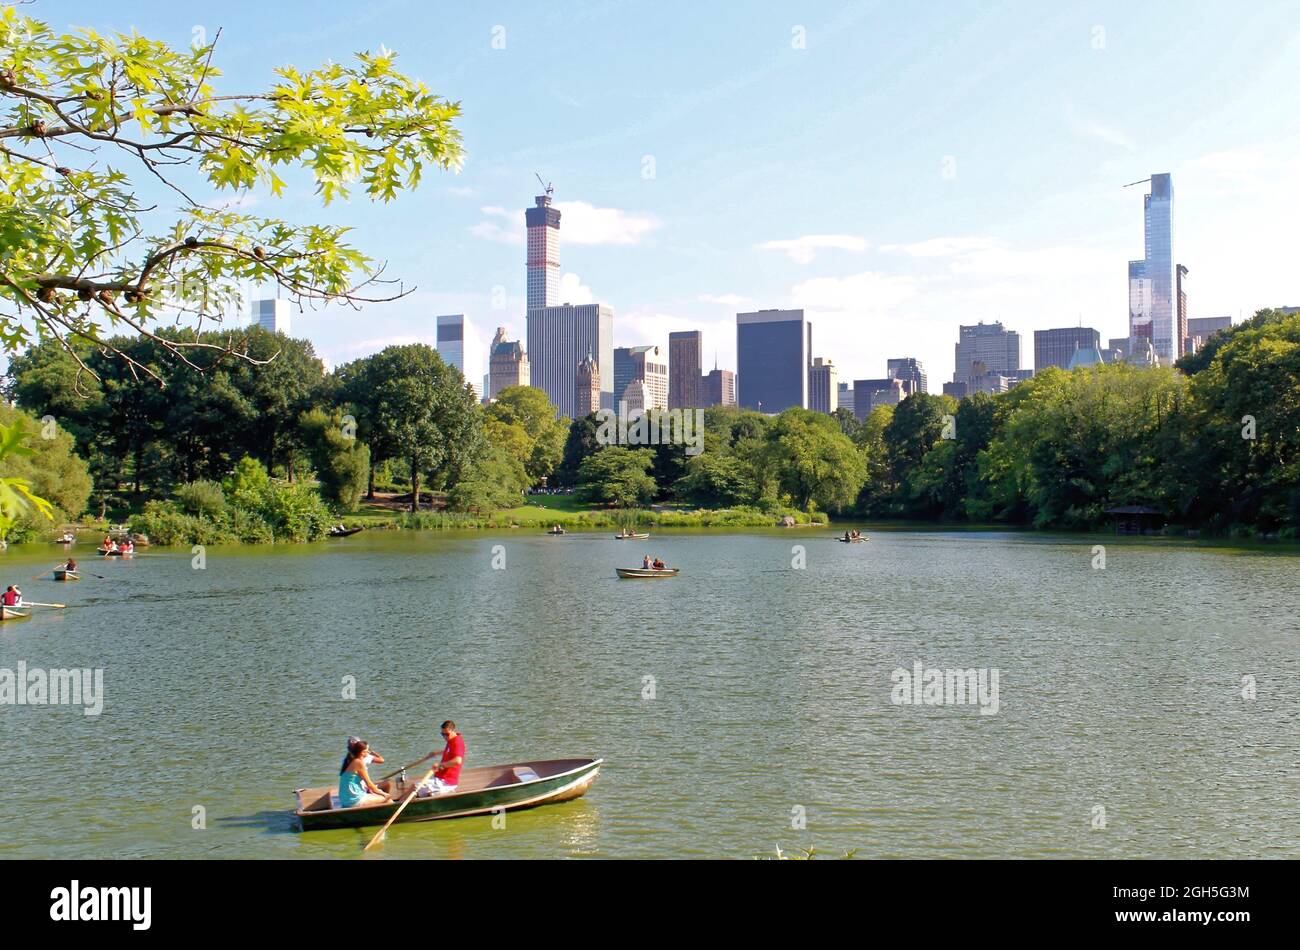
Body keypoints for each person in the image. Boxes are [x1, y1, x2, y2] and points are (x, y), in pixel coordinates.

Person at [337, 739, 393, 808]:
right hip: (353, 800)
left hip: (346, 799)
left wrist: (379, 792)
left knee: (381, 795)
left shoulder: (351, 760)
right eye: (367, 751)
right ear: (362, 752)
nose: (369, 752)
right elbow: (369, 784)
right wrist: (383, 794)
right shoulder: (359, 763)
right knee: (388, 798)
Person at [416, 721, 465, 797]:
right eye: (443, 734)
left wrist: (440, 765)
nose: (445, 737)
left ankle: (396, 805)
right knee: (416, 788)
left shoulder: (457, 742)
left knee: (415, 787)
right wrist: (436, 753)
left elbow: (458, 760)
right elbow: (450, 751)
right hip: (440, 778)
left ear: (453, 730)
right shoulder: (451, 740)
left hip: (446, 782)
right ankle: (397, 803)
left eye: (447, 734)